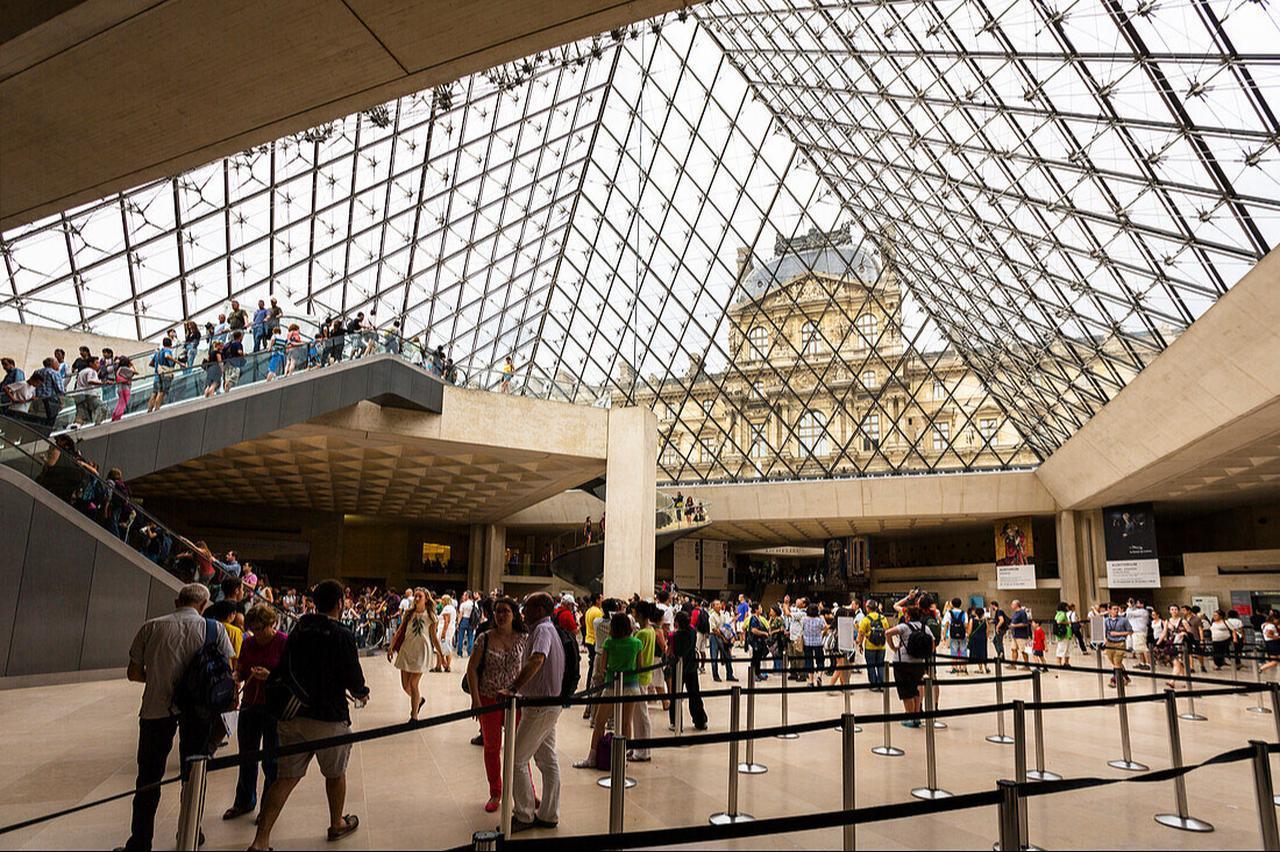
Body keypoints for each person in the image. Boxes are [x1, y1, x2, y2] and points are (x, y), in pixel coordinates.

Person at [249, 580, 369, 851]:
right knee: (335, 774)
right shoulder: (342, 634)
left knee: (285, 778)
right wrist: (361, 692)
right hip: (328, 717)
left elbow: (286, 665)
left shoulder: (299, 628)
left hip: (292, 714)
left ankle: (261, 840)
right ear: (340, 603)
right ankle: (336, 822)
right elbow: (353, 677)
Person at [121, 583, 234, 852]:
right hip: (198, 711)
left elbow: (133, 673)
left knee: (148, 777)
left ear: (176, 601)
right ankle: (191, 830)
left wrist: (159, 677)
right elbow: (226, 672)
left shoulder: (150, 627)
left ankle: (140, 841)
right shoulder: (215, 629)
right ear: (204, 605)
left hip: (155, 710)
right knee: (193, 774)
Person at [501, 592, 565, 833]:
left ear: (539, 609)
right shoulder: (547, 628)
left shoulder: (542, 630)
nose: (522, 612)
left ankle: (525, 814)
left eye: (526, 608)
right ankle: (549, 813)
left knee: (516, 759)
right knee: (547, 760)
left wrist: (513, 687)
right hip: (546, 704)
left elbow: (537, 659)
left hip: (540, 706)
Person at [224, 604, 288, 820]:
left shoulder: (283, 642)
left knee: (272, 760)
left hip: (274, 708)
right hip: (250, 704)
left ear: (273, 624)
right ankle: (244, 801)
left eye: (262, 628)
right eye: (254, 628)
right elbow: (241, 669)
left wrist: (269, 676)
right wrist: (237, 676)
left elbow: (290, 676)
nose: (258, 633)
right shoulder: (249, 642)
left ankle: (267, 808)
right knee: (247, 756)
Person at [466, 596, 527, 812]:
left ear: (514, 614)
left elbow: (530, 667)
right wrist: (475, 698)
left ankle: (525, 792)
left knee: (519, 748)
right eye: (498, 611)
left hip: (515, 700)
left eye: (506, 611)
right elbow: (472, 668)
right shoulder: (484, 638)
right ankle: (495, 791)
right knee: (492, 747)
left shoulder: (523, 638)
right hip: (489, 697)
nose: (501, 615)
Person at [577, 612, 640, 768]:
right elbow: (640, 666)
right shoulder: (636, 643)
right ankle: (623, 757)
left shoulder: (609, 643)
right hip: (632, 686)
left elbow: (603, 667)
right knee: (627, 723)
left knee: (600, 722)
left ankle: (592, 757)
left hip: (612, 686)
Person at [389, 589, 432, 720]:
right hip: (407, 650)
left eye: (420, 596)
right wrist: (391, 647)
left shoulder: (430, 615)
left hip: (421, 652)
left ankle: (414, 716)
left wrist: (440, 654)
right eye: (416, 596)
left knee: (413, 684)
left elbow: (434, 636)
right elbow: (399, 631)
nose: (417, 598)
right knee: (406, 686)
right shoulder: (408, 613)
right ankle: (418, 701)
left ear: (426, 599)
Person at [886, 604, 931, 726]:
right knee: (915, 689)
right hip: (918, 663)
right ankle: (916, 717)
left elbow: (888, 632)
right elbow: (932, 642)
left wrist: (893, 647)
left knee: (905, 691)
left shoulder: (904, 627)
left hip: (902, 662)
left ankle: (909, 716)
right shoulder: (924, 628)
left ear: (908, 616)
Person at [668, 609, 708, 731]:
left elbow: (672, 653)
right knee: (695, 695)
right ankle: (700, 721)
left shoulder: (675, 636)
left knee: (676, 695)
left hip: (678, 668)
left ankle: (675, 722)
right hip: (691, 667)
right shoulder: (692, 632)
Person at [858, 600, 889, 688]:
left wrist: (860, 644)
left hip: (870, 646)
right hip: (881, 646)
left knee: (871, 665)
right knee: (880, 665)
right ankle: (882, 684)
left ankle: (874, 685)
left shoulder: (866, 619)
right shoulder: (883, 618)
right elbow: (887, 631)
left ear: (868, 608)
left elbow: (861, 633)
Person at [1103, 603, 1133, 687]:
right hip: (1110, 643)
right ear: (1109, 610)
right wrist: (1105, 639)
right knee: (1115, 662)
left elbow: (1130, 631)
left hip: (1120, 643)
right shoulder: (1106, 620)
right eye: (1114, 609)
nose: (1116, 611)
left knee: (1117, 661)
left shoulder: (1124, 620)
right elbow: (1104, 632)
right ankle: (1126, 677)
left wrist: (1118, 634)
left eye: (1117, 609)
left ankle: (1114, 680)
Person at [708, 599, 737, 682]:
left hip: (723, 636)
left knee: (728, 655)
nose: (719, 606)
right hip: (714, 637)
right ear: (713, 607)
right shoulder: (712, 616)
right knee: (714, 657)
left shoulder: (723, 615)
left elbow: (726, 627)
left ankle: (730, 675)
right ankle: (715, 675)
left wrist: (730, 637)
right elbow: (714, 630)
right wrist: (723, 637)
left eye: (719, 604)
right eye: (716, 604)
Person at [800, 603, 826, 686]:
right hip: (818, 643)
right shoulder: (819, 620)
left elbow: (802, 628)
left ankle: (811, 681)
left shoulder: (804, 619)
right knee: (820, 660)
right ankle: (819, 676)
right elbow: (824, 627)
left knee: (809, 661)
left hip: (807, 643)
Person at [1124, 600, 1152, 670]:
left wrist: (1130, 606)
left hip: (1140, 632)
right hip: (1135, 632)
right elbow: (1128, 616)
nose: (1136, 604)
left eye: (1138, 603)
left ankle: (1149, 664)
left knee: (1143, 648)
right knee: (1139, 649)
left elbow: (1129, 613)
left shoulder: (1143, 611)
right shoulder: (1136, 611)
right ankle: (1142, 662)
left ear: (1142, 604)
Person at [944, 597, 968, 674]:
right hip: (962, 634)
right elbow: (966, 624)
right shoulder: (964, 613)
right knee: (963, 651)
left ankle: (954, 668)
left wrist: (944, 634)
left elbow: (946, 624)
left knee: (954, 651)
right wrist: (966, 634)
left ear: (953, 604)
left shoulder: (949, 613)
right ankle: (963, 668)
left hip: (953, 634)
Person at [437, 594, 457, 673]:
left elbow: (446, 621)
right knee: (447, 647)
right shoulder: (452, 608)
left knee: (444, 647)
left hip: (445, 630)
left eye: (442, 600)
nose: (441, 601)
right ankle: (445, 665)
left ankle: (446, 665)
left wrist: (443, 633)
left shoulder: (447, 609)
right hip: (450, 630)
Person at [1008, 600, 1031, 667]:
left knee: (1023, 650)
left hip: (1021, 635)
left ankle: (1026, 665)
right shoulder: (1015, 613)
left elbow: (1025, 623)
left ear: (1017, 605)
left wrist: (1015, 625)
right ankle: (1013, 664)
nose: (1011, 606)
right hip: (1015, 634)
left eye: (1012, 604)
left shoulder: (1022, 613)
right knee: (1013, 649)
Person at [968, 606, 990, 673]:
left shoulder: (972, 620)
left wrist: (969, 637)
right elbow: (988, 630)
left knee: (977, 653)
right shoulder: (985, 620)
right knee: (983, 652)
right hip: (983, 638)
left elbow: (970, 630)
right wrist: (986, 637)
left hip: (975, 638)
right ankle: (986, 666)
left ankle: (980, 669)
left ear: (976, 613)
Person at [1052, 603, 1072, 668]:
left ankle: (1066, 662)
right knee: (1062, 648)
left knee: (1066, 648)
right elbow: (1058, 621)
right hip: (1064, 634)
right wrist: (1067, 623)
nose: (1068, 608)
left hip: (1066, 634)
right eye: (1066, 606)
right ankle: (1059, 663)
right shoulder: (1062, 614)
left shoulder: (1058, 613)